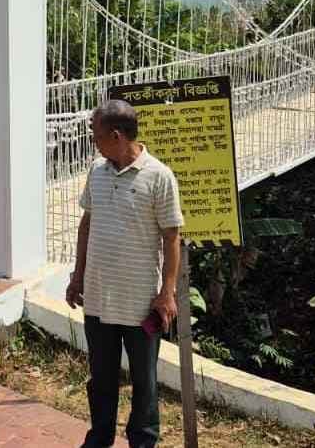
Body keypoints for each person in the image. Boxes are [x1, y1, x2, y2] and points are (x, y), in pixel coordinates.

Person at [65, 99, 184, 448]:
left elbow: (172, 236)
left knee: (144, 381)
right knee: (101, 377)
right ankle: (99, 437)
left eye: (95, 136)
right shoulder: (96, 172)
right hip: (99, 298)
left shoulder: (159, 176)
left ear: (116, 136)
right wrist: (77, 275)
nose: (93, 143)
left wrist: (167, 293)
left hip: (140, 301)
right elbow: (87, 224)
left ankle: (143, 441)